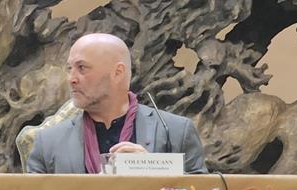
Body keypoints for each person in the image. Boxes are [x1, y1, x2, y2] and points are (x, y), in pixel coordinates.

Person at [26, 33, 207, 174]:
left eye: (82, 68)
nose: (71, 79)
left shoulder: (176, 132)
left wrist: (153, 170)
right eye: (69, 69)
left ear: (117, 73)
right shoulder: (47, 143)